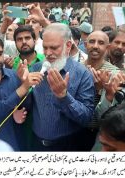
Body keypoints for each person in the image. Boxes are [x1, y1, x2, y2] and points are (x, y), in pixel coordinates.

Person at [27, 23, 95, 151]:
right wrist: (24, 86)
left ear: (68, 46)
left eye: (53, 48)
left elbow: (86, 118)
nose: (48, 53)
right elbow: (27, 106)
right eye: (45, 47)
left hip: (67, 145)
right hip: (36, 144)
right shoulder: (35, 69)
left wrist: (64, 97)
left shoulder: (82, 74)